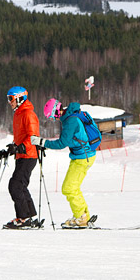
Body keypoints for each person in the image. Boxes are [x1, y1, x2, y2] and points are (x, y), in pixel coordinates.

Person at [30, 98, 97, 228]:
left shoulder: (70, 121)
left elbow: (62, 143)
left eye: (51, 117)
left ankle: (81, 217)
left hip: (83, 157)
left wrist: (42, 142)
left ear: (56, 112)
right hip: (80, 156)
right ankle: (83, 216)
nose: (53, 120)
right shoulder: (70, 116)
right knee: (72, 187)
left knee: (69, 188)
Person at [2, 86, 41, 229]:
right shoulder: (18, 113)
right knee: (20, 185)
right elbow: (21, 137)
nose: (9, 102)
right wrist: (11, 148)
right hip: (22, 155)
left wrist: (20, 147)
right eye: (8, 99)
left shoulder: (28, 114)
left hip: (29, 155)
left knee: (15, 185)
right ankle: (30, 217)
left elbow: (33, 136)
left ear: (19, 98)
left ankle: (24, 218)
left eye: (11, 98)